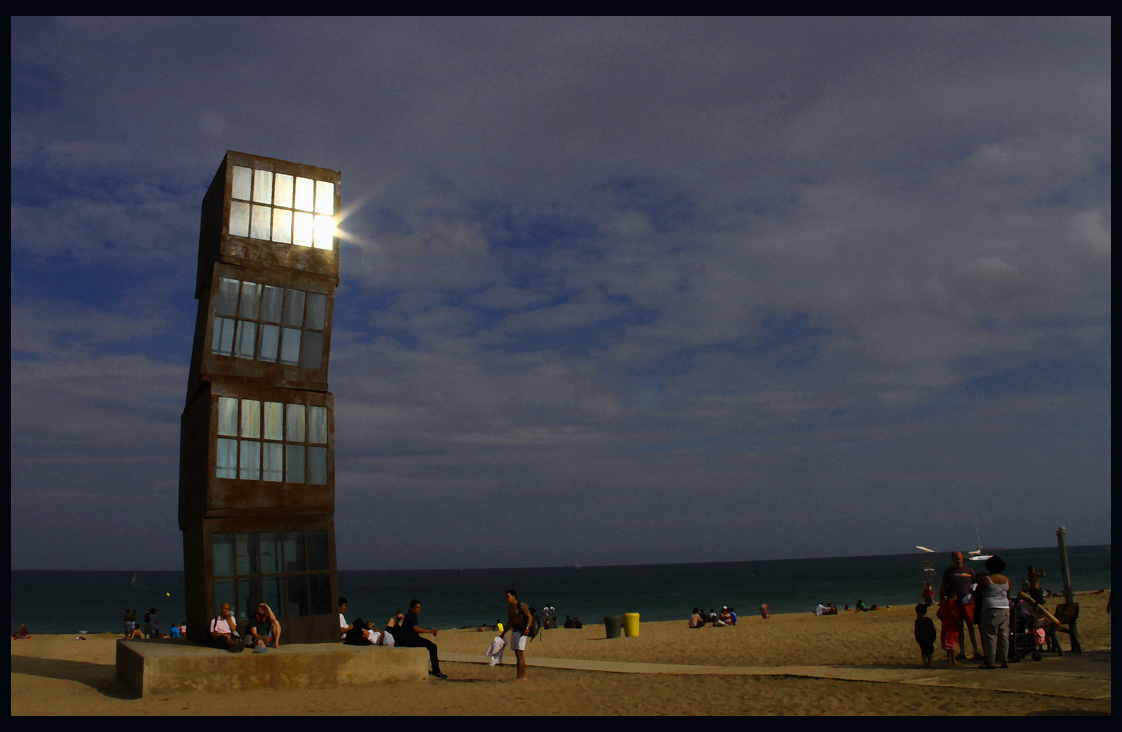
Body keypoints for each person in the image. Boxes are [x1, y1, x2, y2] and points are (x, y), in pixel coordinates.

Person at [941, 551, 981, 660]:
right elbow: (943, 587)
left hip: (969, 604)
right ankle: (962, 651)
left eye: (960, 559)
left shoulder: (969, 570)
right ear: (952, 559)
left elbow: (976, 583)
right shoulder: (948, 572)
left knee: (971, 627)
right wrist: (942, 603)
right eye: (956, 559)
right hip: (955, 604)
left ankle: (976, 651)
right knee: (958, 628)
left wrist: (976, 597)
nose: (958, 561)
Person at [977, 555, 1011, 669]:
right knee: (1003, 635)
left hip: (990, 608)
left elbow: (978, 593)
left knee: (990, 635)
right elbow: (1008, 594)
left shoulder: (986, 579)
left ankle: (990, 661)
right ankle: (1004, 660)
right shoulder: (1007, 580)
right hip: (1005, 608)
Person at [398, 599, 446, 679]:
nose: (419, 609)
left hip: (409, 639)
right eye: (417, 607)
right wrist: (429, 631)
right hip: (410, 641)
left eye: (420, 607)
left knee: (430, 645)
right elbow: (416, 629)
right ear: (412, 608)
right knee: (432, 647)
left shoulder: (409, 615)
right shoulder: (412, 616)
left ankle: (435, 670)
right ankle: (436, 671)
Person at [504, 589, 533, 681]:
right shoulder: (510, 608)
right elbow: (509, 622)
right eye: (506, 597)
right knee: (517, 654)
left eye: (508, 597)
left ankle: (520, 676)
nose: (507, 599)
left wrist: (527, 628)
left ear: (514, 596)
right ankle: (522, 675)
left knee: (520, 653)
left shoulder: (521, 605)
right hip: (514, 631)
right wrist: (503, 633)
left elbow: (529, 616)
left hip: (522, 631)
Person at [935, 588, 959, 667]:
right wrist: (955, 621)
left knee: (947, 644)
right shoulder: (952, 604)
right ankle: (953, 660)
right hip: (951, 626)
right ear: (954, 596)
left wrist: (943, 619)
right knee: (951, 644)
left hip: (945, 625)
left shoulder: (943, 604)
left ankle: (949, 660)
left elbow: (938, 614)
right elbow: (951, 614)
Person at [914, 604, 937, 668]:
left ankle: (924, 662)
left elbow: (917, 631)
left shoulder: (918, 621)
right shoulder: (928, 619)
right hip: (929, 637)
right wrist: (934, 636)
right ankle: (929, 662)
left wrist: (917, 639)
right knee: (930, 651)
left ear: (917, 613)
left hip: (922, 638)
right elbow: (933, 628)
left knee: (924, 651)